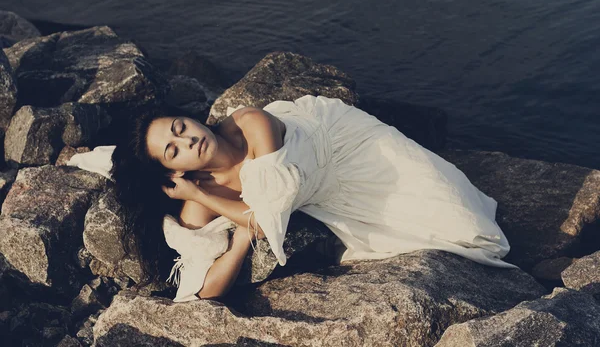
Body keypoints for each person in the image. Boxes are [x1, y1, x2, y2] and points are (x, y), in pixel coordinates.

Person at [68, 94, 518, 302]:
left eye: (181, 127)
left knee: (465, 212)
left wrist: (245, 218)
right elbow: (204, 290)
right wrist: (242, 235)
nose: (189, 140)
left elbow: (269, 212)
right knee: (468, 236)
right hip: (327, 191)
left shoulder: (250, 121)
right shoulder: (198, 194)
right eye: (174, 149)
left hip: (344, 144)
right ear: (174, 169)